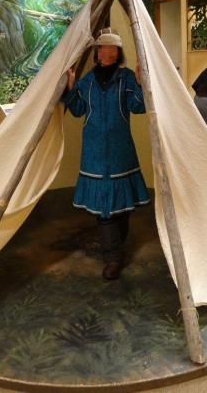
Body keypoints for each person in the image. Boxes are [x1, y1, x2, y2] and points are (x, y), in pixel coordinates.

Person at [62, 28, 150, 281]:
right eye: (102, 47)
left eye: (112, 47)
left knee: (121, 210)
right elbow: (78, 110)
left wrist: (141, 83)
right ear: (97, 52)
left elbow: (139, 106)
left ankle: (116, 248)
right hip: (94, 155)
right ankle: (112, 258)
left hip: (121, 153)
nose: (106, 51)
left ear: (118, 52)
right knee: (105, 212)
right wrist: (70, 88)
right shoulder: (88, 80)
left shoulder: (126, 78)